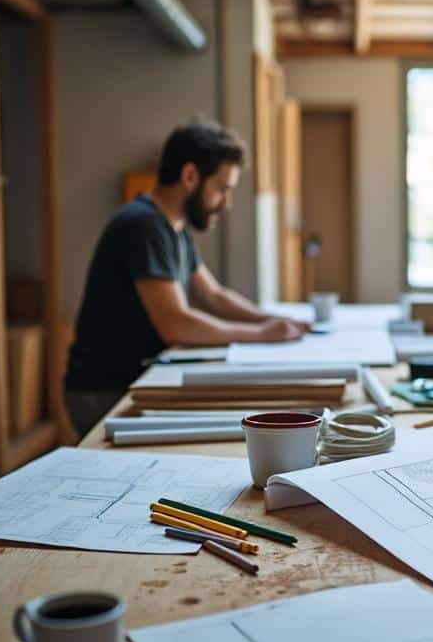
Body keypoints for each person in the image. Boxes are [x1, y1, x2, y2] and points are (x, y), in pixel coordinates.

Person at [63, 119, 310, 436]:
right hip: (104, 393)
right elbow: (176, 324)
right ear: (190, 176)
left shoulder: (173, 228)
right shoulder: (143, 226)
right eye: (222, 189)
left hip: (134, 381)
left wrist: (274, 319)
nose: (226, 203)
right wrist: (262, 333)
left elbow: (213, 296)